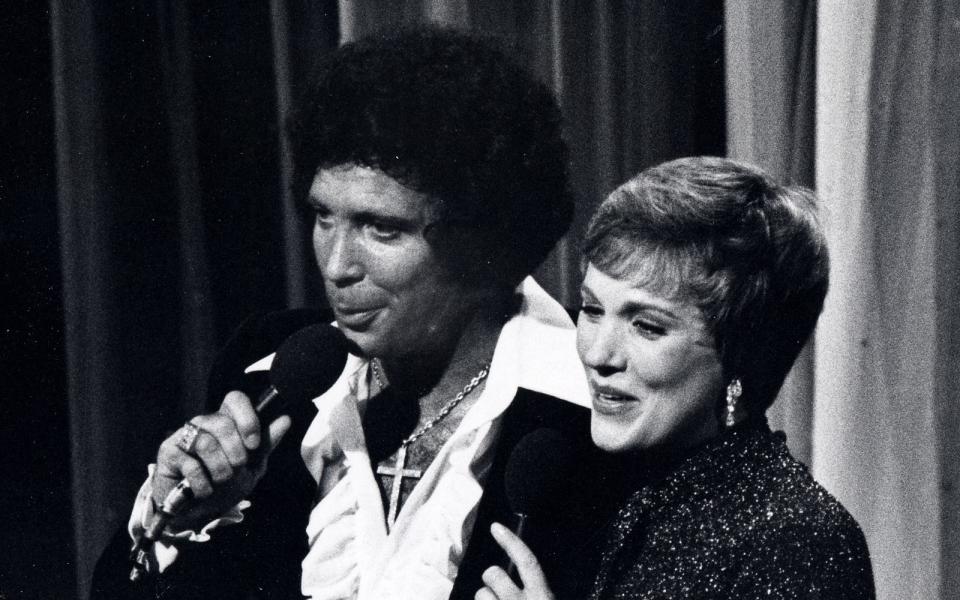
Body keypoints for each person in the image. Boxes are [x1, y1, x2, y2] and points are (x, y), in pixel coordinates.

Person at [90, 27, 614, 600]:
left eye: (381, 228)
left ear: (484, 240)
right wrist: (174, 522)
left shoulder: (598, 411)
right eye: (323, 218)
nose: (338, 265)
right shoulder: (268, 374)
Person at [477, 157, 876, 599]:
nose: (597, 354)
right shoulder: (633, 507)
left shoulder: (799, 540)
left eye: (646, 325)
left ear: (742, 357)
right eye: (592, 310)